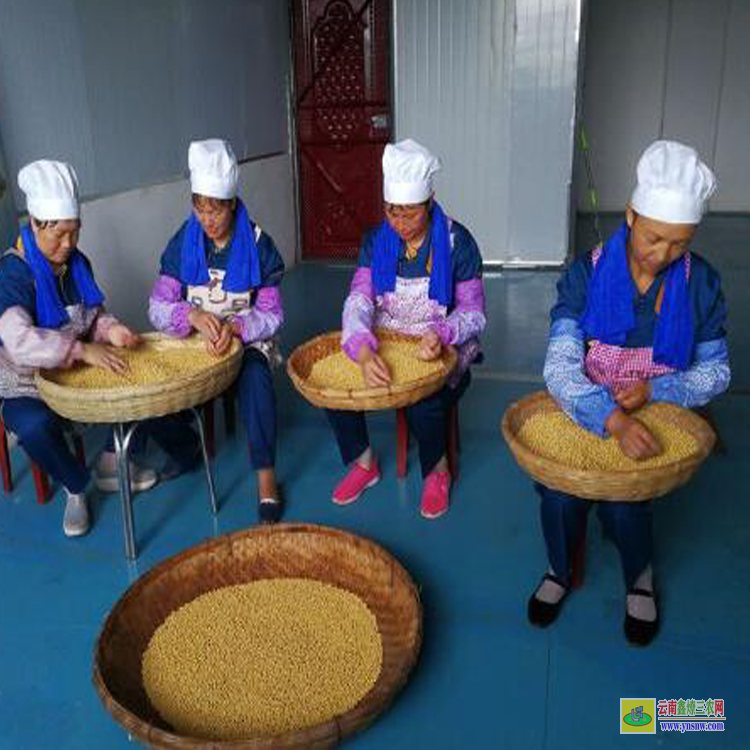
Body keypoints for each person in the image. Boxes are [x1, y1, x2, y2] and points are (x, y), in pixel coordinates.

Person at [527, 140, 731, 646]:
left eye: (680, 243)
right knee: (559, 492)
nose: (664, 255)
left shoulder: (700, 283)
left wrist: (658, 388)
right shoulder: (587, 273)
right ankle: (558, 568)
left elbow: (716, 372)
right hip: (587, 402)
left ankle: (638, 576)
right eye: (655, 238)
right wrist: (610, 417)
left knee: (627, 502)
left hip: (659, 407)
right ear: (631, 214)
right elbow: (559, 366)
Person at [326, 139, 486, 519]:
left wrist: (443, 334)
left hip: (442, 342)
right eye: (391, 213)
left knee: (424, 398)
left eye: (409, 214)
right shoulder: (376, 242)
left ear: (429, 204)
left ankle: (437, 470)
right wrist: (363, 349)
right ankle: (364, 463)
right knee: (335, 388)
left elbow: (474, 312)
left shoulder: (456, 242)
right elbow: (360, 300)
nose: (398, 224)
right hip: (388, 337)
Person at [0, 160, 160, 536]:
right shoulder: (14, 273)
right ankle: (76, 486)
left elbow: (91, 316)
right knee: (34, 425)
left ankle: (111, 462)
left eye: (75, 233)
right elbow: (19, 342)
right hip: (26, 382)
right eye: (60, 235)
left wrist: (112, 330)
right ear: (37, 224)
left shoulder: (75, 263)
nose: (69, 244)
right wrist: (83, 351)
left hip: (72, 372)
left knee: (137, 374)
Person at [149, 139, 285, 524]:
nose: (207, 218)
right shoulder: (183, 242)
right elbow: (157, 307)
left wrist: (238, 326)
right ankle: (188, 449)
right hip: (195, 344)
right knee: (154, 389)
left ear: (232, 203)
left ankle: (265, 477)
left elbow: (273, 314)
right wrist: (190, 316)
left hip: (244, 341)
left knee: (256, 381)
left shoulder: (259, 246)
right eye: (200, 207)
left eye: (216, 208)